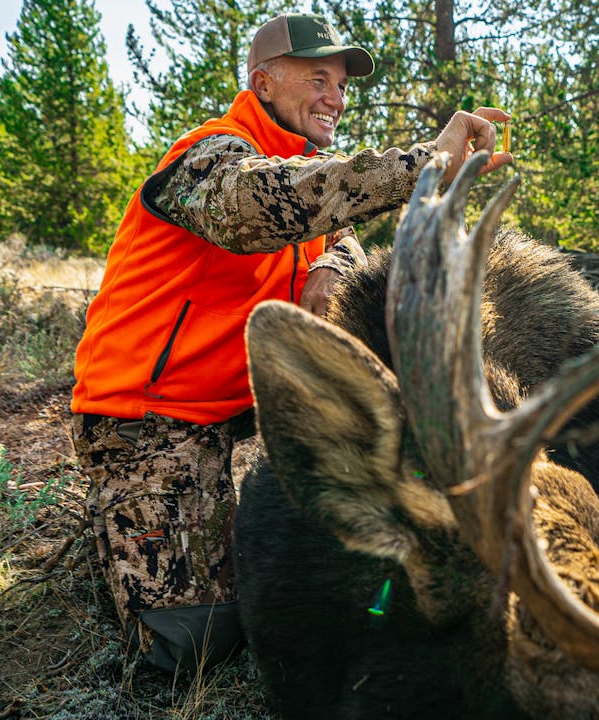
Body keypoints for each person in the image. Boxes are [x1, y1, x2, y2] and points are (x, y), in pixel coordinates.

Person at [69, 12, 512, 674]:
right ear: (264, 83)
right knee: (195, 646)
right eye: (318, 79)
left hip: (234, 397)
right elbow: (262, 205)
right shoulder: (208, 157)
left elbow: (334, 229)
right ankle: (125, 522)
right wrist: (428, 162)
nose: (335, 97)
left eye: (340, 83)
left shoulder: (301, 166)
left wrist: (335, 265)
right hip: (149, 419)